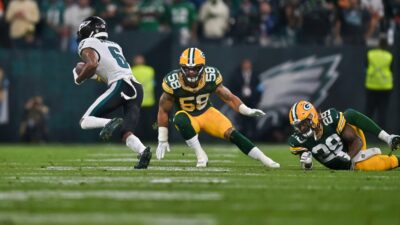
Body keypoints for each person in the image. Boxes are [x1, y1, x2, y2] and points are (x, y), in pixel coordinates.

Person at [156, 47, 280, 168]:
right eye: (187, 69)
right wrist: (162, 137)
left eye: (195, 68)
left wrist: (246, 110)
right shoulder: (173, 82)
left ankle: (264, 158)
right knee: (179, 119)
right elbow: (163, 110)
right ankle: (200, 155)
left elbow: (229, 98)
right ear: (181, 68)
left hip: (207, 113)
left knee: (232, 133)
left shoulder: (210, 76)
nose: (191, 72)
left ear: (202, 68)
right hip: (188, 117)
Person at [73, 16, 151, 169]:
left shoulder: (87, 43)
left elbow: (92, 64)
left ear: (88, 30)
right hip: (135, 86)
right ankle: (143, 152)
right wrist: (89, 73)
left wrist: (79, 79)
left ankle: (110, 122)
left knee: (85, 121)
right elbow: (104, 70)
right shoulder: (114, 45)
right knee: (126, 132)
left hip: (121, 84)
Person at [288, 100, 400, 171]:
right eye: (297, 126)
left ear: (312, 117)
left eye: (303, 124)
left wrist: (348, 156)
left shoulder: (330, 119)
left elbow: (357, 141)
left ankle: (388, 138)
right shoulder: (297, 140)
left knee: (349, 114)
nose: (301, 129)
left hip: (353, 148)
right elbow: (306, 164)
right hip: (344, 162)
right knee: (358, 165)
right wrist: (307, 164)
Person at [228, 59, 260, 139]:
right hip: (241, 101)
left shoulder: (255, 75)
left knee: (253, 120)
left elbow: (259, 88)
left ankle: (255, 138)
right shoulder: (236, 75)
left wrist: (254, 96)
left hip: (252, 101)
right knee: (242, 121)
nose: (246, 66)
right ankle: (243, 138)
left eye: (248, 64)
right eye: (245, 64)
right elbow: (232, 88)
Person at [365, 36, 393, 130]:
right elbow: (391, 69)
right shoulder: (389, 56)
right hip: (385, 87)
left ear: (378, 44)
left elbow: (366, 66)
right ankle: (382, 137)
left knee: (369, 112)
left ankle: (364, 134)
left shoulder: (370, 54)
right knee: (382, 112)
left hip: (371, 86)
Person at [131, 54, 157, 141]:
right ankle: (152, 139)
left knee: (137, 123)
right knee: (150, 123)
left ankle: (138, 140)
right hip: (149, 101)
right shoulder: (150, 70)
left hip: (136, 101)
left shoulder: (131, 71)